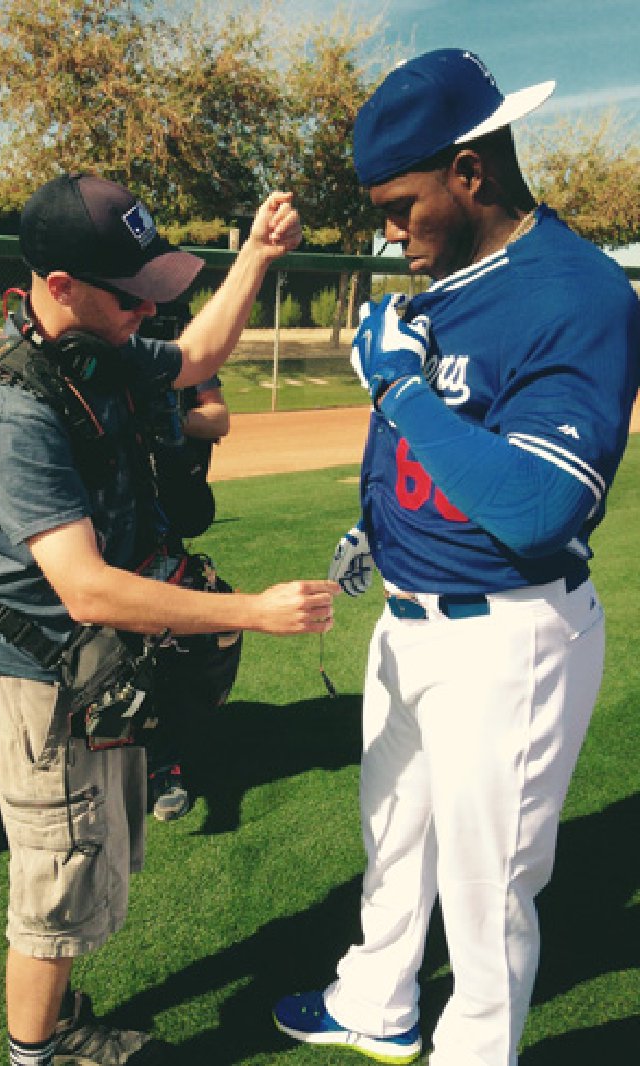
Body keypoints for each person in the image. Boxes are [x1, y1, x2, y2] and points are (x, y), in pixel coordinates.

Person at [273, 49, 640, 1066]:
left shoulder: (577, 292)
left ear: (469, 173)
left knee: (487, 888)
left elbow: (534, 506)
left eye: (401, 205)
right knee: (392, 837)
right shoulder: (449, 275)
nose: (390, 232)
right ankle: (376, 1000)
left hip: (507, 634)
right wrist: (375, 527)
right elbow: (440, 444)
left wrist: (396, 392)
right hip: (410, 615)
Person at [0, 173, 339, 1066]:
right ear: (58, 287)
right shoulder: (11, 407)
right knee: (52, 898)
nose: (148, 310)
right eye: (133, 294)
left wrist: (255, 256)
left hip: (93, 671)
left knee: (87, 867)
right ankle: (34, 1056)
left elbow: (196, 357)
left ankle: (58, 1024)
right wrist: (252, 612)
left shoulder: (101, 344)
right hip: (44, 677)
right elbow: (83, 586)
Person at [146, 374, 232, 822]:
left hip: (163, 522)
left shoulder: (177, 346)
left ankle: (166, 763)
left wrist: (165, 422)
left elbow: (218, 417)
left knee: (173, 643)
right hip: (98, 520)